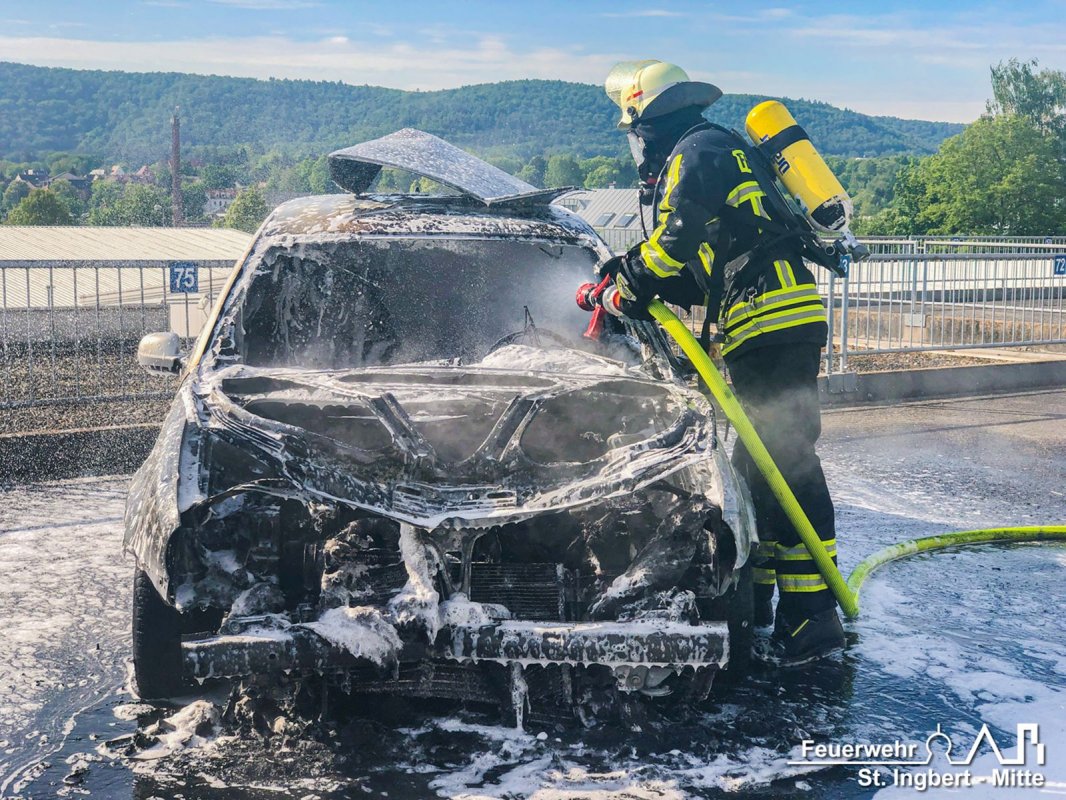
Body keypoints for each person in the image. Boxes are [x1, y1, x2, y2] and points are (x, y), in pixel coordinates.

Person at [599, 60, 845, 666]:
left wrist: (629, 282)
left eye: (634, 130)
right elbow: (696, 271)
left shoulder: (697, 151)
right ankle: (762, 600)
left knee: (786, 460)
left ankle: (814, 614)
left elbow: (673, 241)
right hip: (765, 318)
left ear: (646, 119)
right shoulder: (714, 149)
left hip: (771, 318)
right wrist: (626, 278)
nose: (637, 146)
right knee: (755, 463)